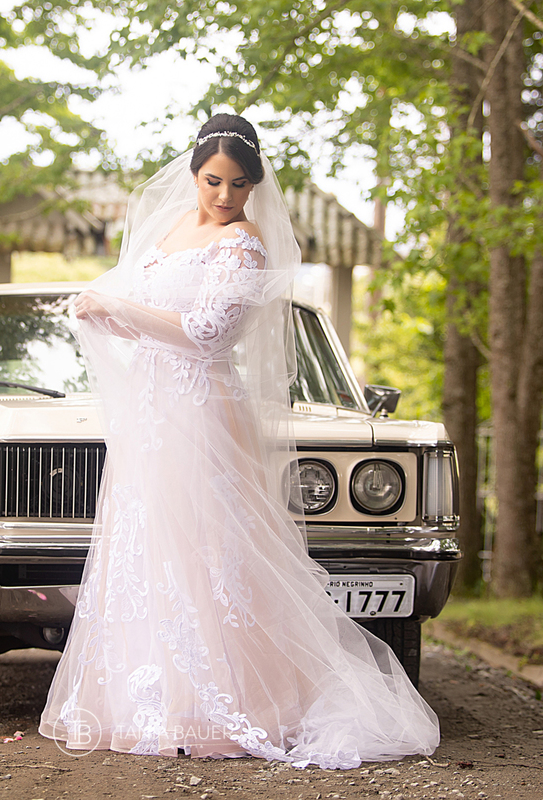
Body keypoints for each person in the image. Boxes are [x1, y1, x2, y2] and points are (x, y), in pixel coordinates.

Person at [37, 113, 439, 769]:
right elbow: (141, 314)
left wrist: (113, 309)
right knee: (153, 550)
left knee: (216, 553)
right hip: (153, 412)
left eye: (239, 185)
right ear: (195, 172)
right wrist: (101, 308)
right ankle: (158, 701)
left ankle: (239, 704)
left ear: (253, 186)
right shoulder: (169, 232)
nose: (224, 197)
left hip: (205, 414)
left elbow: (205, 334)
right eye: (213, 181)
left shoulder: (245, 246)